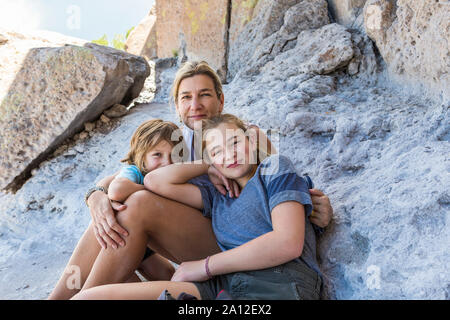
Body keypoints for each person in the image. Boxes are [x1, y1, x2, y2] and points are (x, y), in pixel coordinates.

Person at [48, 61, 333, 299]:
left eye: (205, 95)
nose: (195, 104)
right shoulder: (177, 144)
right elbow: (131, 173)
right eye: (186, 97)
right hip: (212, 233)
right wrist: (97, 196)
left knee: (136, 205)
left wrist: (316, 206)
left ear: (221, 100)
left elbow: (283, 185)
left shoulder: (247, 138)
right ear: (177, 105)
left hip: (238, 241)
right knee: (115, 212)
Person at [72, 113, 321, 299]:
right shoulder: (217, 194)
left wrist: (203, 266)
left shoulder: (273, 169)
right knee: (87, 298)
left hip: (277, 286)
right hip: (221, 285)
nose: (229, 155)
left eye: (234, 142)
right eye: (217, 151)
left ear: (251, 140)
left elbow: (288, 242)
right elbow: (154, 180)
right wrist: (206, 166)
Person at [48, 119, 182, 299]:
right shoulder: (135, 172)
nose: (167, 162)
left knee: (168, 277)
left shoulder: (177, 172)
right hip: (121, 236)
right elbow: (117, 188)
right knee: (92, 277)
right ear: (142, 157)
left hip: (147, 241)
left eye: (173, 155)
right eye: (157, 155)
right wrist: (154, 190)